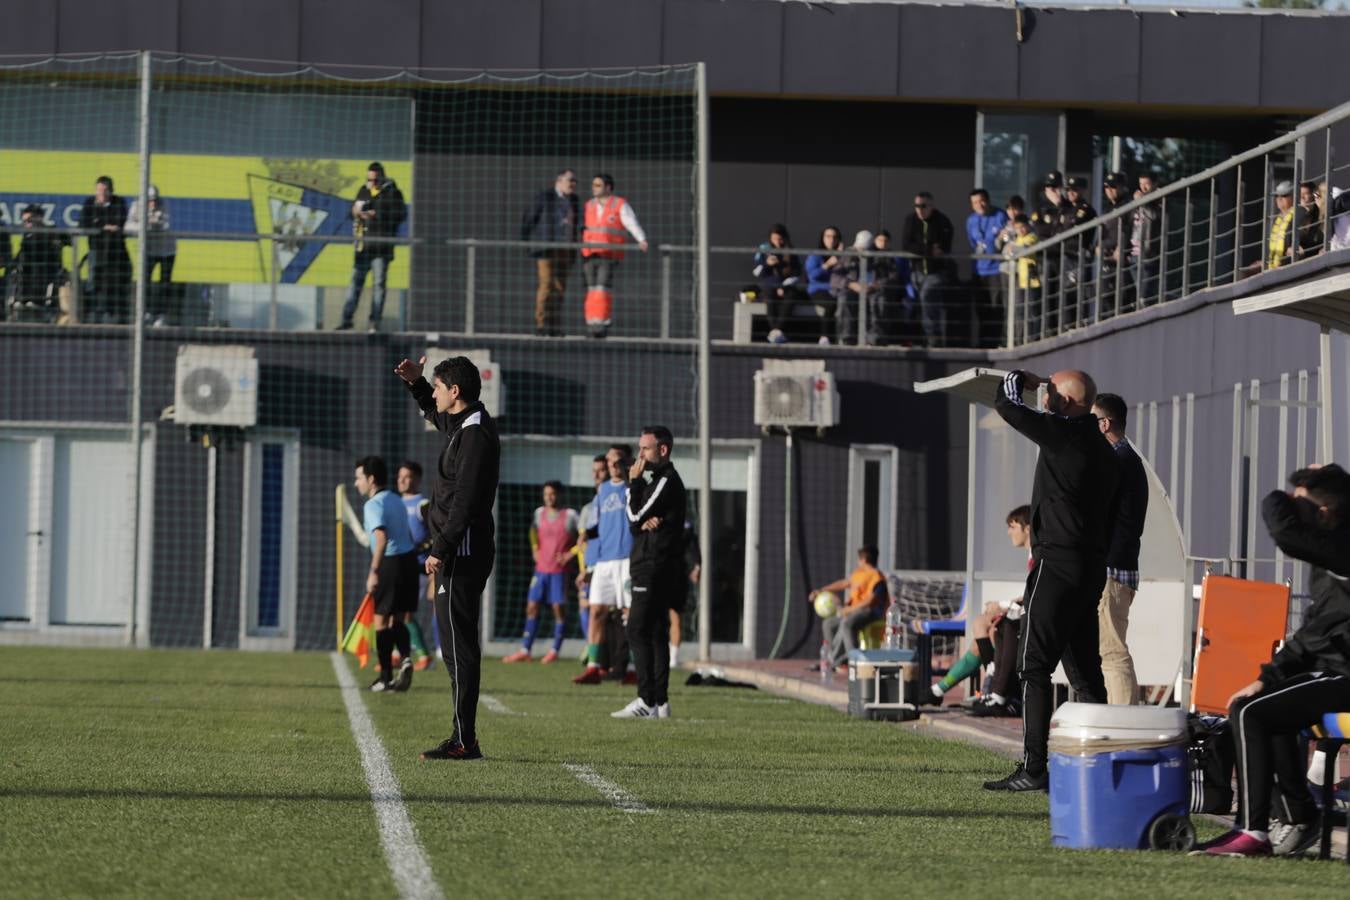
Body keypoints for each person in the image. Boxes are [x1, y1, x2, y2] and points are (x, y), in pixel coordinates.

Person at [1193, 464, 1350, 858]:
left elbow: (1284, 531)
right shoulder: (1333, 550)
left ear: (1326, 512)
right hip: (1335, 669)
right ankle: (1298, 814)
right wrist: (1271, 676)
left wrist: (1278, 496)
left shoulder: (1343, 546)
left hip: (1345, 675)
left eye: (1302, 504)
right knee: (1253, 706)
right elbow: (1320, 624)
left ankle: (1254, 832)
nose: (1293, 511)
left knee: (1251, 712)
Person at [985, 368, 1120, 793]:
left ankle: (1034, 767)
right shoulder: (1105, 450)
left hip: (1057, 564)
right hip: (1090, 567)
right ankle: (1100, 761)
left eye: (1051, 392)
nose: (1045, 397)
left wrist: (1016, 377)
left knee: (1032, 665)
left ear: (1067, 402)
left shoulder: (1065, 433)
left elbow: (1007, 404)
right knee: (1084, 672)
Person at [394, 354, 501, 761]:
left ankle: (464, 741)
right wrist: (417, 383)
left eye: (438, 387)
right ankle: (463, 736)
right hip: (457, 551)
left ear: (455, 392)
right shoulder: (463, 424)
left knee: (458, 648)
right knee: (452, 648)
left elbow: (467, 503)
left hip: (461, 553)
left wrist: (440, 548)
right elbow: (436, 415)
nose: (434, 394)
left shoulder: (475, 434)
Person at [613, 425, 687, 719]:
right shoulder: (656, 481)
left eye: (645, 448)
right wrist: (641, 515)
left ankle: (645, 699)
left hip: (653, 565)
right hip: (655, 564)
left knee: (637, 629)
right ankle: (660, 702)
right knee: (655, 631)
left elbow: (633, 517)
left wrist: (633, 483)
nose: (639, 454)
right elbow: (639, 518)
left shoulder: (666, 480)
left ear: (663, 450)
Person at [1092, 393, 1146, 705]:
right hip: (1119, 569)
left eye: (1090, 421)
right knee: (1111, 650)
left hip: (1111, 570)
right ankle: (1122, 719)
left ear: (1105, 423)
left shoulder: (1117, 462)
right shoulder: (1127, 460)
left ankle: (1124, 723)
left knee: (1112, 652)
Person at [353, 456, 419, 693]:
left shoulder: (372, 504)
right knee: (398, 619)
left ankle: (384, 677)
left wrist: (373, 571)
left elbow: (380, 538)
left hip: (390, 563)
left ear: (371, 480)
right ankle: (405, 658)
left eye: (358, 478)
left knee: (381, 621)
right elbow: (407, 535)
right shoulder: (396, 500)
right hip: (408, 561)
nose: (356, 483)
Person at [574, 445, 635, 684]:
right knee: (596, 611)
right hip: (604, 563)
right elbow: (595, 527)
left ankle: (631, 668)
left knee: (629, 614)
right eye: (609, 462)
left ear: (626, 462)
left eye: (616, 461)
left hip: (627, 559)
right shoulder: (602, 492)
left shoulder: (634, 487)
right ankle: (593, 667)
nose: (612, 466)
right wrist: (585, 540)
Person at [503, 481, 578, 665]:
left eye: (552, 494)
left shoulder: (570, 515)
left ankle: (555, 650)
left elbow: (584, 539)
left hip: (559, 571)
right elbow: (532, 532)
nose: (549, 497)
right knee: (531, 606)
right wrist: (535, 548)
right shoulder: (539, 513)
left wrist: (570, 554)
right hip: (541, 570)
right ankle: (525, 649)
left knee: (558, 609)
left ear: (559, 494)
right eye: (546, 494)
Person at [970, 505, 1034, 718]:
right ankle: (995, 690)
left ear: (1027, 528)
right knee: (992, 625)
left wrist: (1004, 605)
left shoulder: (1040, 552)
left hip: (1042, 618)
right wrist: (1003, 605)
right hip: (1031, 613)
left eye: (1012, 526)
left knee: (1004, 624)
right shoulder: (1033, 553)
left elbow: (1034, 595)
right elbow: (1030, 592)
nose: (1009, 532)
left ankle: (998, 693)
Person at [338, 162, 407, 332]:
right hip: (363, 247)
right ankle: (346, 320)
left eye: (375, 180)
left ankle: (374, 322)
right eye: (369, 180)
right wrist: (355, 212)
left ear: (382, 178)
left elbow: (400, 215)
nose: (372, 183)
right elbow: (352, 212)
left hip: (381, 248)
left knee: (378, 285)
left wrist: (377, 215)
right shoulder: (363, 190)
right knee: (355, 283)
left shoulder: (393, 193)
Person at [581, 173, 648, 338]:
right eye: (593, 185)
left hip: (608, 254)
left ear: (608, 187)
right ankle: (591, 323)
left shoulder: (619, 204)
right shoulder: (589, 205)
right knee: (591, 289)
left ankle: (601, 323)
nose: (594, 188)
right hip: (589, 253)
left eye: (598, 185)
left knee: (602, 288)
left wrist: (641, 239)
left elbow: (630, 222)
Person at [809, 546, 888, 673]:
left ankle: (853, 661)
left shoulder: (877, 577)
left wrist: (849, 610)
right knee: (828, 624)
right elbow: (843, 583)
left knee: (847, 623)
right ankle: (832, 658)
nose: (858, 562)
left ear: (864, 559)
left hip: (871, 612)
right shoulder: (859, 574)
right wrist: (822, 590)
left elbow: (870, 601)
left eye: (859, 559)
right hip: (854, 610)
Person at [521, 169, 580, 337]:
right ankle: (541, 324)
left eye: (575, 181)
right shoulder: (545, 197)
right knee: (546, 286)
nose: (573, 184)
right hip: (546, 249)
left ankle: (555, 326)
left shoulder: (574, 200)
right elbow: (529, 218)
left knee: (560, 288)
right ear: (559, 181)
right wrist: (526, 242)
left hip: (566, 249)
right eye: (570, 180)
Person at [901, 192, 954, 347]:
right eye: (917, 206)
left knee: (928, 299)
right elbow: (906, 245)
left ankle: (933, 341)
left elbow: (944, 246)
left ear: (932, 206)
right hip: (915, 271)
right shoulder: (910, 220)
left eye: (923, 206)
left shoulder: (942, 221)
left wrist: (926, 249)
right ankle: (918, 340)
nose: (920, 209)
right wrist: (929, 250)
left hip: (935, 272)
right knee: (915, 306)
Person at [397, 461, 436, 670]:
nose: (402, 480)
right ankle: (398, 653)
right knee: (395, 611)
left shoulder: (423, 504)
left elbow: (437, 535)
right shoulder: (396, 503)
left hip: (420, 567)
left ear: (418, 479)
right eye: (400, 476)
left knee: (405, 612)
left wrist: (420, 548)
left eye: (407, 476)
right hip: (400, 566)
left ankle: (424, 656)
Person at [78, 175, 131, 322]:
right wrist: (103, 226)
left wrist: (99, 223)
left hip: (116, 251)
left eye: (105, 190)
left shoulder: (119, 202)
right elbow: (83, 223)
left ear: (111, 191)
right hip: (97, 249)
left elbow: (120, 220)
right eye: (99, 190)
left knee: (115, 282)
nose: (101, 194)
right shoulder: (89, 203)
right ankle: (92, 314)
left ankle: (115, 315)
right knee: (93, 281)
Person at [124, 184, 176, 323]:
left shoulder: (165, 204)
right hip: (149, 250)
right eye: (149, 200)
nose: (152, 203)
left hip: (167, 250)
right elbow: (128, 226)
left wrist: (145, 224)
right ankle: (145, 312)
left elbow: (165, 225)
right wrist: (147, 224)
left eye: (154, 200)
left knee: (164, 283)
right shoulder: (136, 206)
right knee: (144, 281)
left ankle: (161, 314)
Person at [967, 188, 1009, 347]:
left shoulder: (999, 216)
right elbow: (972, 242)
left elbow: (1005, 238)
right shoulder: (971, 220)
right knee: (981, 309)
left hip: (995, 269)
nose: (980, 205)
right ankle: (983, 342)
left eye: (982, 201)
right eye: (975, 202)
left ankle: (995, 341)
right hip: (978, 270)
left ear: (988, 200)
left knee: (996, 307)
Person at [10, 204, 69, 317]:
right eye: (25, 221)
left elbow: (67, 239)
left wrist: (57, 241)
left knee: (37, 269)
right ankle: (20, 300)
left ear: (39, 218)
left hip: (46, 270)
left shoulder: (51, 232)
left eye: (29, 220)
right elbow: (19, 256)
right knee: (18, 269)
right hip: (28, 272)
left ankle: (35, 300)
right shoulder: (27, 237)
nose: (27, 224)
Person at [752, 223, 803, 345]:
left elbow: (796, 273)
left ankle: (776, 330)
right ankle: (776, 332)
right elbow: (757, 273)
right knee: (770, 297)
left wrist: (783, 286)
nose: (777, 242)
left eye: (780, 239)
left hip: (786, 285)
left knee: (791, 296)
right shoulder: (764, 250)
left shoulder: (790, 251)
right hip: (769, 285)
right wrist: (767, 264)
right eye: (774, 239)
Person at [1097, 172, 1133, 318]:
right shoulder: (1106, 209)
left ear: (1122, 187)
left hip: (1123, 260)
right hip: (1107, 260)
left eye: (1112, 187)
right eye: (1106, 187)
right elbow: (1103, 232)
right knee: (1106, 299)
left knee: (1123, 300)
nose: (1109, 190)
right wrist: (1098, 246)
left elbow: (1131, 228)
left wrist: (1122, 249)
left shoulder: (1129, 205)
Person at [829, 230, 873, 347]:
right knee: (845, 300)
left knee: (877, 301)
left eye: (865, 248)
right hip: (851, 290)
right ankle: (846, 338)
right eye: (860, 248)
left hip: (871, 291)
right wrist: (851, 284)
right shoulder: (847, 256)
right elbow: (835, 278)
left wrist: (873, 286)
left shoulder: (876, 258)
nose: (862, 251)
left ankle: (873, 339)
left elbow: (885, 277)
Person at [804, 225, 844, 345]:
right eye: (828, 236)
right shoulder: (815, 256)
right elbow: (812, 276)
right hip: (818, 289)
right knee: (831, 303)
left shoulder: (842, 257)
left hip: (837, 290)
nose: (831, 240)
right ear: (822, 238)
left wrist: (841, 257)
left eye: (834, 237)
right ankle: (824, 337)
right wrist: (827, 265)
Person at [1130, 172, 1162, 304]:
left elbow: (1155, 216)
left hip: (1148, 254)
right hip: (1133, 254)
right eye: (1140, 184)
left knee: (1144, 297)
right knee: (1135, 296)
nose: (1143, 188)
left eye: (1146, 185)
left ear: (1154, 185)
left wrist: (1142, 202)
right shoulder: (1138, 201)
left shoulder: (1160, 198)